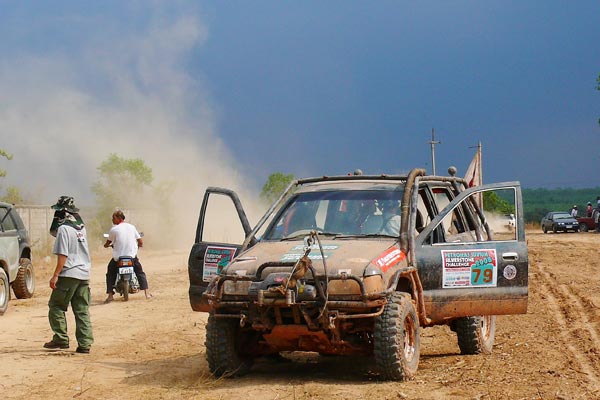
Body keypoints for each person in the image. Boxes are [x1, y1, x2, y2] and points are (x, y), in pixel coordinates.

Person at [44, 196, 93, 354]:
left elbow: (63, 255)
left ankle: (60, 339)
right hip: (84, 274)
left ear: (63, 212)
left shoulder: (64, 229)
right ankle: (85, 344)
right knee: (82, 310)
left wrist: (55, 275)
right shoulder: (81, 228)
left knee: (56, 306)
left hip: (69, 274)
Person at [104, 210, 151, 302]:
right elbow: (140, 241)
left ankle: (110, 295)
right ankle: (147, 293)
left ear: (119, 218)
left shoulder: (114, 229)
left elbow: (108, 242)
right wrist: (139, 245)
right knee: (140, 272)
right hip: (131, 257)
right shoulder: (132, 227)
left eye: (113, 218)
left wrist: (106, 245)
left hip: (118, 259)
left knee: (110, 273)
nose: (112, 220)